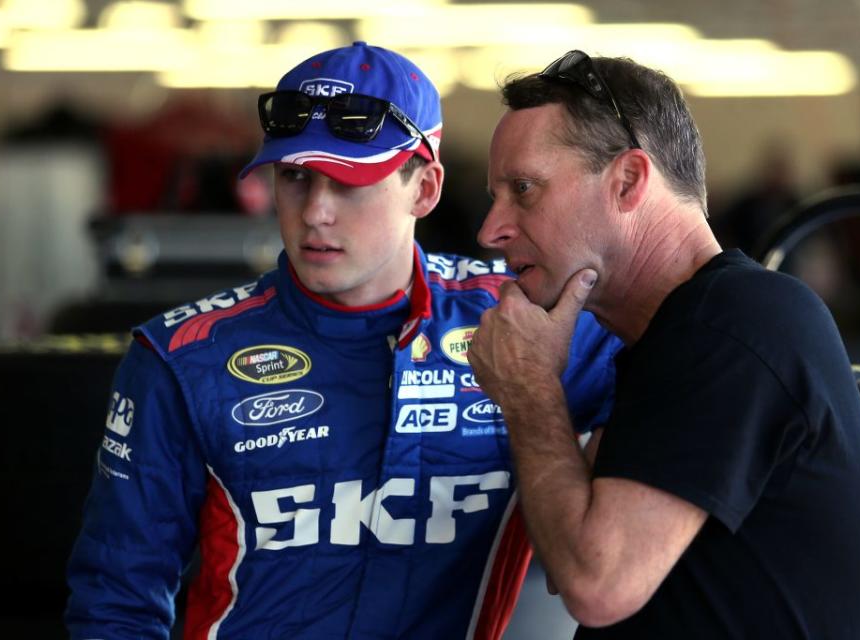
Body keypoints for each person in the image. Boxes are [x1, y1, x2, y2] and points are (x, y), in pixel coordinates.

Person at [65, 42, 621, 640]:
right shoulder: (182, 357)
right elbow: (116, 601)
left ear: (425, 189)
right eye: (296, 178)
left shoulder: (526, 320)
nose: (315, 213)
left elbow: (690, 395)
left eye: (349, 182)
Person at [469, 49, 860, 638]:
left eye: (524, 189)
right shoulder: (670, 338)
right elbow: (566, 557)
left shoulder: (735, 321)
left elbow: (594, 583)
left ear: (629, 181)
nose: (492, 229)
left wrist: (529, 388)